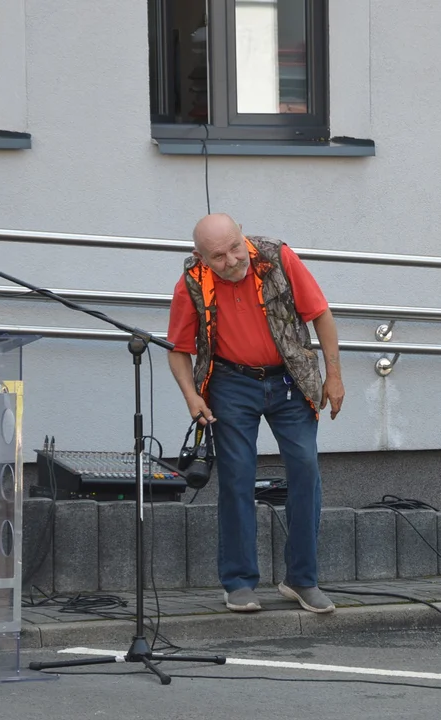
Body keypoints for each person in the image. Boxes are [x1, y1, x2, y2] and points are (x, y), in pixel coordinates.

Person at [167, 213, 344, 614]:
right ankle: (238, 582)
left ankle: (302, 579)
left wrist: (334, 376)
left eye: (234, 247)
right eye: (219, 256)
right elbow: (178, 348)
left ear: (241, 233)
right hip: (231, 383)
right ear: (200, 256)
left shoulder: (276, 258)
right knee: (237, 477)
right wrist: (191, 396)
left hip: (289, 379)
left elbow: (321, 315)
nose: (232, 260)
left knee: (305, 469)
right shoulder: (192, 281)